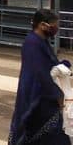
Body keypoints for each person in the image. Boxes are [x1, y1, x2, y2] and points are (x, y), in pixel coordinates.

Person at [9, 9, 71, 144]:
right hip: (36, 99)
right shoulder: (32, 43)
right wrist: (58, 95)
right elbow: (40, 73)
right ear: (43, 25)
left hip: (44, 99)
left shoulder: (42, 41)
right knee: (46, 135)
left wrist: (63, 65)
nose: (56, 28)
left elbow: (49, 64)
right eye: (54, 24)